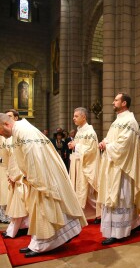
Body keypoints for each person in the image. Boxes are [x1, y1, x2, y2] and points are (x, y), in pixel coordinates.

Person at [0, 113, 87, 258]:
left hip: (42, 176)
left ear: (6, 124)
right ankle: (38, 243)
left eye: (0, 131)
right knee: (42, 209)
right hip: (39, 175)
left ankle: (43, 244)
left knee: (45, 209)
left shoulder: (23, 131)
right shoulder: (20, 130)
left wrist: (32, 177)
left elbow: (34, 157)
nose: (1, 134)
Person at [98, 93, 140, 245]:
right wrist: (104, 142)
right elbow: (113, 138)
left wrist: (108, 146)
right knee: (118, 196)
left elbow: (124, 145)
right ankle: (136, 223)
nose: (113, 102)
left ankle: (118, 233)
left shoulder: (130, 121)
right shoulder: (118, 120)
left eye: (116, 100)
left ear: (124, 103)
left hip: (122, 167)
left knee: (120, 197)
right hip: (114, 164)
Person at [68, 107, 101, 223]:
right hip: (78, 164)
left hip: (87, 165)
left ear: (84, 117)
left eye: (76, 116)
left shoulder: (90, 132)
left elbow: (91, 150)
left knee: (89, 191)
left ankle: (100, 214)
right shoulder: (80, 131)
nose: (74, 118)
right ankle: (86, 214)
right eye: (74, 116)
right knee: (82, 192)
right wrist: (73, 145)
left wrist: (75, 146)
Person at [2, 109, 29, 238]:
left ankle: (16, 229)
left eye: (10, 116)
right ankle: (20, 227)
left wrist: (18, 175)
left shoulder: (21, 133)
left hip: (22, 175)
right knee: (17, 203)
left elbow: (23, 156)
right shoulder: (8, 137)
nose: (7, 119)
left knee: (23, 203)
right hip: (14, 174)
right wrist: (9, 173)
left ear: (16, 118)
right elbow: (8, 158)